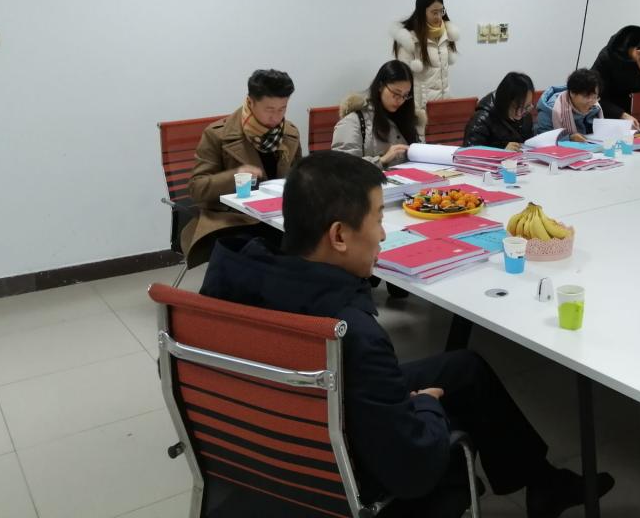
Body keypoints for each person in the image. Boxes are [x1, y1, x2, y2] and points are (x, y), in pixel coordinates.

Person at [200, 150, 614, 517]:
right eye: (379, 219)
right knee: (444, 402)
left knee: (464, 369)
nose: (383, 234)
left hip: (269, 437)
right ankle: (540, 484)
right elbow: (413, 471)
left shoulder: (235, 279)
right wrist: (424, 407)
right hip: (344, 466)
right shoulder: (353, 332)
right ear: (339, 235)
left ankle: (542, 484)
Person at [181, 69, 301, 267]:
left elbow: (298, 178)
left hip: (278, 215)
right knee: (260, 249)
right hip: (233, 219)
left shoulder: (289, 134)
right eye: (269, 109)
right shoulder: (217, 135)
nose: (276, 117)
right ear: (251, 102)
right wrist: (235, 176)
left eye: (283, 109)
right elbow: (197, 188)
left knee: (316, 240)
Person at [332, 60, 425, 169]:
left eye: (405, 95)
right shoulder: (353, 121)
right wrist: (382, 160)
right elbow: (342, 166)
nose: (400, 100)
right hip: (373, 180)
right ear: (380, 86)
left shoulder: (409, 118)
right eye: (396, 93)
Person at [392, 0, 459, 110]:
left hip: (444, 104)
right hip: (421, 107)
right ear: (422, 12)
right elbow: (402, 79)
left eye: (441, 11)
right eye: (434, 12)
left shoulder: (446, 34)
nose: (439, 16)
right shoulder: (410, 40)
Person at [464, 72, 535, 151]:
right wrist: (501, 151)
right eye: (516, 107)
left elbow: (529, 143)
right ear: (505, 102)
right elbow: (469, 153)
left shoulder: (525, 116)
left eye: (526, 107)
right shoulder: (482, 119)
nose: (520, 113)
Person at [534, 68, 603, 142]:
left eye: (594, 97)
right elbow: (542, 138)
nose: (591, 101)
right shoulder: (550, 109)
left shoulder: (595, 108)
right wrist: (569, 138)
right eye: (586, 96)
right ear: (572, 93)